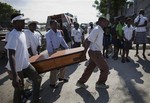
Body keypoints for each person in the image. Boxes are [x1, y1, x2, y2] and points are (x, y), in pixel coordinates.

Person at [5, 13, 42, 103]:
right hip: (17, 68)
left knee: (37, 79)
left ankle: (35, 100)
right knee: (19, 88)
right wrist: (15, 75)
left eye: (24, 21)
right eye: (22, 21)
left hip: (26, 64)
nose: (24, 23)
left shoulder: (22, 33)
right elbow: (11, 55)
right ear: (15, 23)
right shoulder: (13, 35)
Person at [76, 17, 109, 89]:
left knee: (90, 68)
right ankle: (100, 83)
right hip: (95, 53)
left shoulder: (100, 30)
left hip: (95, 52)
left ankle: (80, 82)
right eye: (105, 21)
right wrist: (84, 54)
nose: (107, 23)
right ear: (101, 21)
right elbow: (88, 41)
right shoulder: (97, 29)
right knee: (105, 68)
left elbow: (88, 39)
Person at [45, 20, 69, 88]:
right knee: (54, 68)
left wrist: (67, 48)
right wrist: (52, 54)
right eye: (54, 24)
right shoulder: (48, 34)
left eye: (57, 24)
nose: (56, 25)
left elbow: (62, 41)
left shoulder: (59, 32)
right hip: (52, 51)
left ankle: (61, 77)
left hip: (59, 50)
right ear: (51, 25)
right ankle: (52, 83)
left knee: (64, 64)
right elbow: (49, 44)